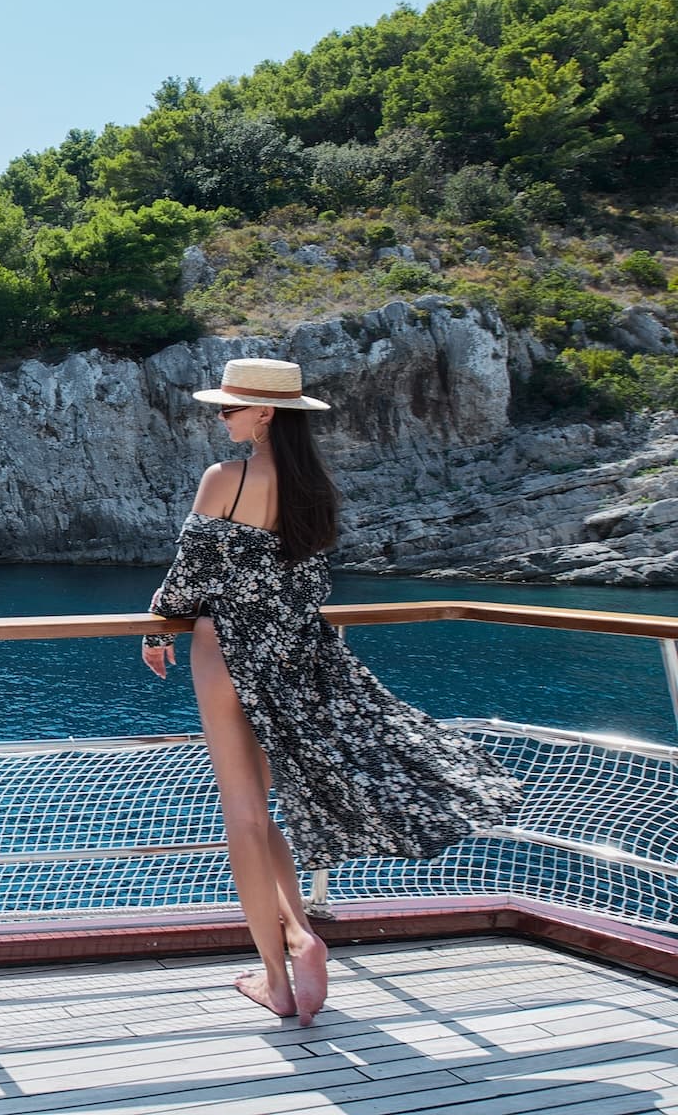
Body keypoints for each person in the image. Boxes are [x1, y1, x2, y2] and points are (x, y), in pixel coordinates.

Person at [140, 357, 522, 1026]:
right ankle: (295, 937)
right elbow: (308, 586)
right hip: (298, 654)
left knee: (244, 813)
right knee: (263, 814)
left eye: (229, 407)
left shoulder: (224, 479)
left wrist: (155, 626)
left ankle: (277, 978)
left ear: (264, 414)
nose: (220, 417)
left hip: (225, 649)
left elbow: (187, 576)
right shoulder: (312, 486)